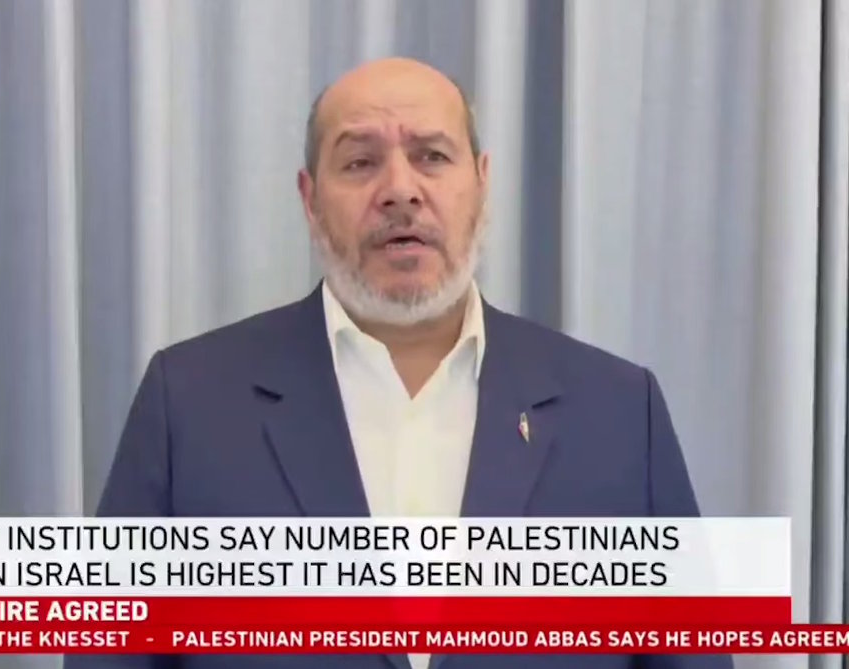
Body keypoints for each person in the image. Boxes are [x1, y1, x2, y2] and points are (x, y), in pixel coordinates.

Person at [67, 57, 730, 669]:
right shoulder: (189, 407)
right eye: (360, 162)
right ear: (309, 198)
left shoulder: (619, 413)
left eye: (431, 156)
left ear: (482, 183)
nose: (400, 190)